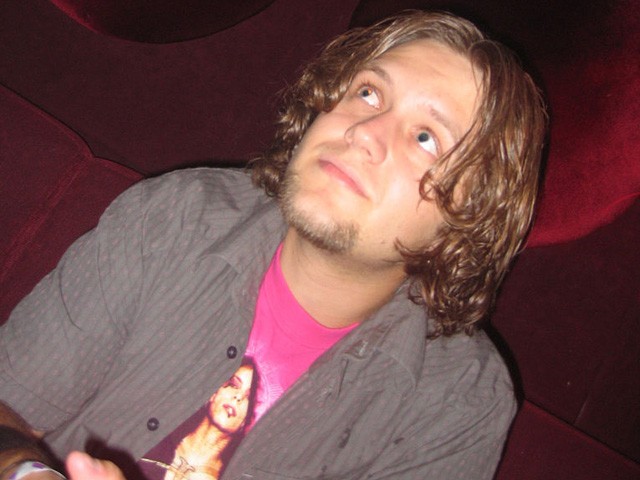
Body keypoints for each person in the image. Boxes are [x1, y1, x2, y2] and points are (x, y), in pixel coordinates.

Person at [0, 10, 546, 480]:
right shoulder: (176, 217)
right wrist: (28, 471)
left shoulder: (459, 400)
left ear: (472, 217)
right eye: (368, 93)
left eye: (426, 138)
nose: (365, 131)